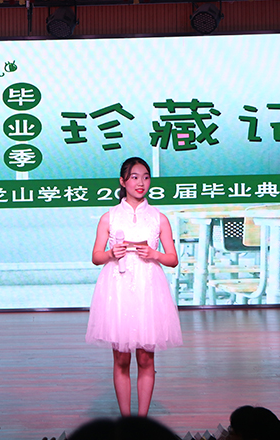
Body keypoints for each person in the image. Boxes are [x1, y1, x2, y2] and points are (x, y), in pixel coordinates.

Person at [85, 156, 183, 417]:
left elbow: (172, 259)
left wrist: (154, 254)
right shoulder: (109, 217)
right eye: (135, 177)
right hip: (118, 289)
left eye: (146, 177)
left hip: (148, 288)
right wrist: (111, 253)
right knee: (121, 358)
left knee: (146, 357)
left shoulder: (159, 218)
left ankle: (142, 421)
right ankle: (126, 420)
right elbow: (96, 256)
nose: (141, 183)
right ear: (123, 181)